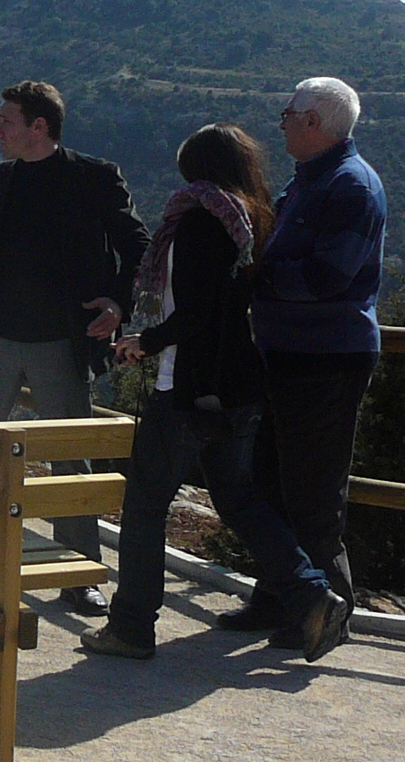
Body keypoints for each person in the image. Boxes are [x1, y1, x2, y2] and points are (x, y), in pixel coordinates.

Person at [80, 125, 349, 662]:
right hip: (240, 385)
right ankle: (312, 594)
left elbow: (196, 313)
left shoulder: (201, 220)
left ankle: (131, 625)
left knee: (144, 506)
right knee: (240, 499)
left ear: (193, 167)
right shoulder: (250, 216)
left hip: (190, 387)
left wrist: (146, 341)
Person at [0, 80, 148, 615]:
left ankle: (77, 574)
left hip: (63, 340)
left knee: (68, 461)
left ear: (39, 127)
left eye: (6, 121)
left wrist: (118, 305)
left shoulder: (95, 178)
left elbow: (139, 246)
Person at [218, 76, 387, 647]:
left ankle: (327, 614)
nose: (282, 121)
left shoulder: (351, 187)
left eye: (288, 113)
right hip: (287, 355)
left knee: (312, 492)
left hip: (326, 359)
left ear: (314, 122)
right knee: (270, 482)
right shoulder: (310, 182)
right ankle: (283, 597)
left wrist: (252, 279)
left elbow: (327, 278)